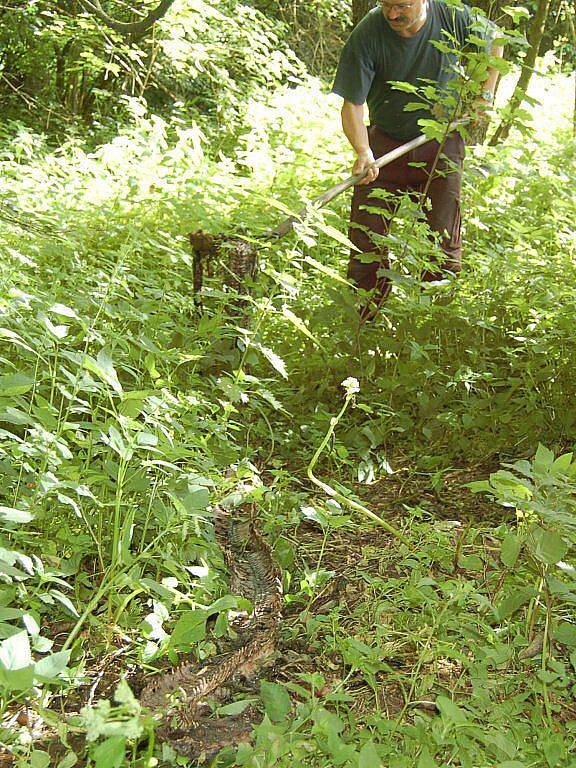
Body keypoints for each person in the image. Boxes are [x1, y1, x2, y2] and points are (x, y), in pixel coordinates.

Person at [332, 0, 503, 318]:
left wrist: (484, 95)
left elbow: (495, 41)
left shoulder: (453, 15)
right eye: (386, 5)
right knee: (366, 242)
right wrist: (362, 151)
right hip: (384, 145)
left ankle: (435, 325)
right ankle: (364, 325)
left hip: (441, 142)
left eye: (401, 6)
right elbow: (352, 104)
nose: (392, 14)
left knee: (442, 242)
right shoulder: (369, 32)